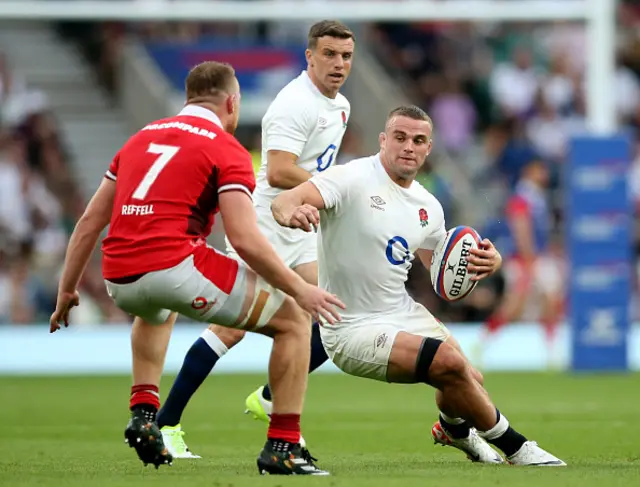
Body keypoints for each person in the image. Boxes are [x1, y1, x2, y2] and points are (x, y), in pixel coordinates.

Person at [48, 60, 344, 476]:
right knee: (294, 321)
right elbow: (243, 238)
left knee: (155, 311)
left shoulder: (138, 140)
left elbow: (88, 224)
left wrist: (67, 290)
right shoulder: (227, 149)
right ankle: (283, 446)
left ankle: (145, 413)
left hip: (120, 275)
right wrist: (298, 287)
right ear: (232, 102)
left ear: (188, 98)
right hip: (177, 265)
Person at [269, 105, 566, 466]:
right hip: (351, 326)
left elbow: (441, 274)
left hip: (402, 312)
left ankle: (451, 430)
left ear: (428, 149)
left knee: (469, 378)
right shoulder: (350, 178)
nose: (409, 146)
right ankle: (518, 447)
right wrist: (292, 213)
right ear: (383, 141)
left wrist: (488, 263)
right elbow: (285, 200)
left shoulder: (429, 205)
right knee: (448, 363)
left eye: (419, 140)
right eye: (400, 137)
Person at [155, 20, 355, 459]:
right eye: (329, 54)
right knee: (230, 328)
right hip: (266, 219)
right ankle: (165, 424)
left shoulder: (340, 105)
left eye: (345, 56)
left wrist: (324, 194)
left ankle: (269, 398)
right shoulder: (293, 102)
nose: (339, 64)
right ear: (309, 56)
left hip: (300, 221)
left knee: (331, 316)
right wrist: (338, 188)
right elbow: (280, 170)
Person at [475, 158, 564, 368]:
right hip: (524, 259)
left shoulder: (535, 197)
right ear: (529, 171)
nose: (544, 174)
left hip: (535, 257)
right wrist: (528, 259)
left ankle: (551, 348)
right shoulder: (523, 198)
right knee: (515, 305)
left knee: (550, 299)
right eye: (540, 170)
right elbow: (521, 228)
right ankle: (484, 341)